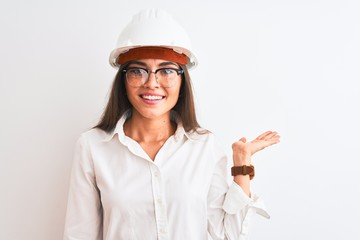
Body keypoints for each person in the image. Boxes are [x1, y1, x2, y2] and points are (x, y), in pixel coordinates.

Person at [63, 8, 280, 240]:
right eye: (138, 71)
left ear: (182, 80)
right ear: (123, 80)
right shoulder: (93, 146)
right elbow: (80, 234)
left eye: (166, 70)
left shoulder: (204, 146)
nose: (152, 83)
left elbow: (228, 236)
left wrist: (242, 166)